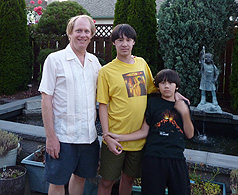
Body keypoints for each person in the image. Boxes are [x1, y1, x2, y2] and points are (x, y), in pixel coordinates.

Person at [96, 24, 189, 195]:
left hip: (139, 140)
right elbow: (103, 105)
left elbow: (155, 88)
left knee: (129, 179)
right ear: (114, 43)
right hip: (116, 137)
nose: (124, 44)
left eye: (128, 40)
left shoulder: (141, 63)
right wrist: (107, 136)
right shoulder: (106, 71)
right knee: (107, 181)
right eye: (120, 40)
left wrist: (176, 94)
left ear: (133, 42)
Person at [38, 15, 101, 195]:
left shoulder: (94, 63)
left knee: (80, 178)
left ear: (91, 35)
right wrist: (51, 137)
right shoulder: (55, 60)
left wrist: (130, 60)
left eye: (86, 31)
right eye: (78, 30)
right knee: (57, 182)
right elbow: (46, 99)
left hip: (88, 137)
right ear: (70, 33)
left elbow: (112, 85)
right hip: (63, 137)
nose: (82, 35)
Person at [107, 69, 194, 195]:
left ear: (177, 86)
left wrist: (185, 112)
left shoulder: (183, 104)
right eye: (163, 83)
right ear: (158, 86)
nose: (167, 86)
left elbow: (190, 134)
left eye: (170, 83)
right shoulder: (152, 103)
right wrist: (119, 137)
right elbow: (144, 131)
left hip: (176, 158)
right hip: (153, 157)